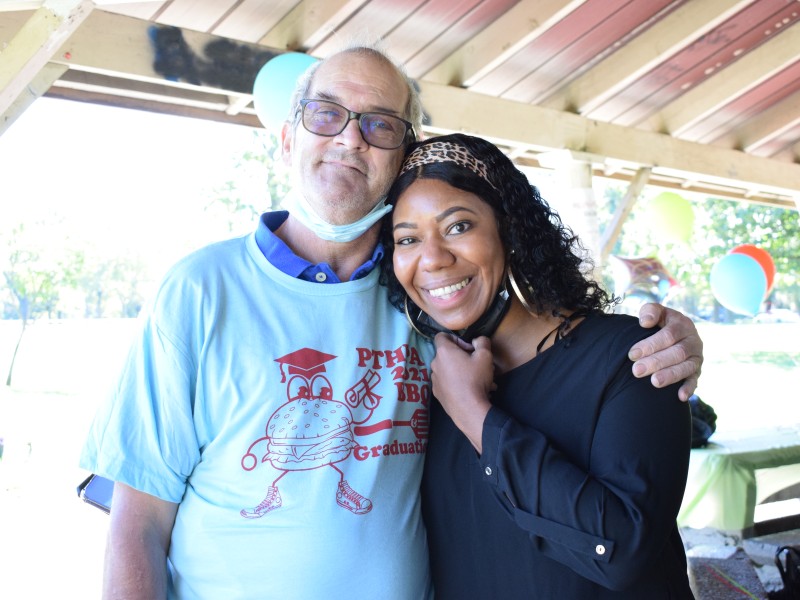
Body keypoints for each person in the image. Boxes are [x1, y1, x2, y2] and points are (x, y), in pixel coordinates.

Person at [80, 44, 701, 600]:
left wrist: (668, 340)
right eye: (326, 113)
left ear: (403, 156)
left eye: (379, 125)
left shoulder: (423, 305)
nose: (351, 139)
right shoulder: (199, 290)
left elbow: (559, 359)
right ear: (287, 138)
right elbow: (137, 523)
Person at [381, 133, 694, 598]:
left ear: (508, 229)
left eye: (458, 226)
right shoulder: (419, 377)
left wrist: (474, 414)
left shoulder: (630, 357)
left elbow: (622, 552)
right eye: (408, 238)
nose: (433, 258)